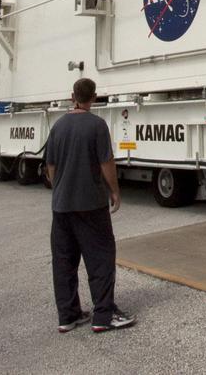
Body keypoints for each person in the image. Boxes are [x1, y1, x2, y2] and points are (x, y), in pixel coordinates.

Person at [44, 77, 135, 334]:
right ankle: (103, 315)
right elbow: (106, 162)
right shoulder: (97, 126)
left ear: (72, 96)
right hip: (91, 205)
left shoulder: (58, 127)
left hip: (61, 207)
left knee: (64, 262)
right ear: (93, 97)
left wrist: (59, 188)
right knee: (101, 259)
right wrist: (115, 191)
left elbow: (50, 166)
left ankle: (68, 315)